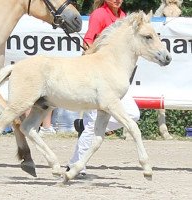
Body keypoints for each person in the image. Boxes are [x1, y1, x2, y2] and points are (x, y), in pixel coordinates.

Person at [67, 0, 140, 176]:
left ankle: (85, 127)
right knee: (92, 125)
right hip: (98, 78)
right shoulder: (99, 14)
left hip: (116, 81)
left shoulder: (124, 17)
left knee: (133, 114)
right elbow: (88, 41)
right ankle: (75, 165)